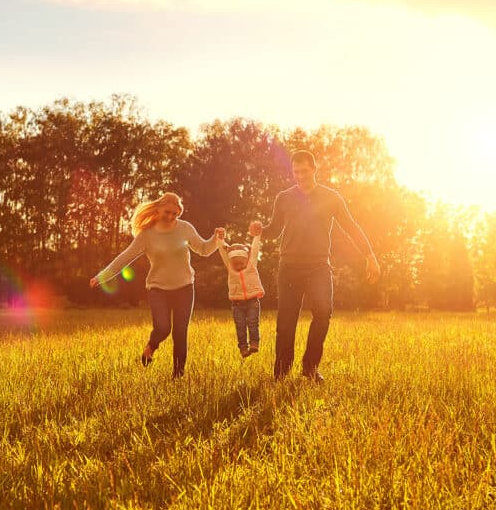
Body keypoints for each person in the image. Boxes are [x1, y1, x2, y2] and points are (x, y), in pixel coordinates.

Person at [250, 150, 380, 381]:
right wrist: (260, 230)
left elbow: (350, 226)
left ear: (314, 169)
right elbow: (274, 228)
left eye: (304, 171)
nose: (300, 176)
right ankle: (281, 372)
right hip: (289, 266)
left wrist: (369, 255)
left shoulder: (331, 197)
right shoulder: (284, 198)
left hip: (318, 266)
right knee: (286, 322)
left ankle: (310, 367)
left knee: (323, 311)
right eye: (296, 172)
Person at [90, 192, 223, 378]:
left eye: (175, 214)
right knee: (162, 328)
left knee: (180, 333)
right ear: (159, 208)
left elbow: (203, 249)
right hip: (158, 289)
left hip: (185, 287)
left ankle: (178, 377)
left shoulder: (185, 228)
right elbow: (125, 257)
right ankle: (151, 346)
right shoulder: (147, 235)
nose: (170, 217)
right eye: (167, 212)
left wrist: (216, 239)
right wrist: (102, 276)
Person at [216, 231, 265, 358]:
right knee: (240, 326)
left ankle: (254, 343)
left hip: (253, 302)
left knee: (253, 323)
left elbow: (255, 249)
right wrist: (220, 239)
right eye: (235, 264)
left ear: (246, 259)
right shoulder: (230, 268)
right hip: (237, 304)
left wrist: (257, 234)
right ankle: (243, 347)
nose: (237, 267)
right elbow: (223, 252)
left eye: (241, 264)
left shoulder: (251, 264)